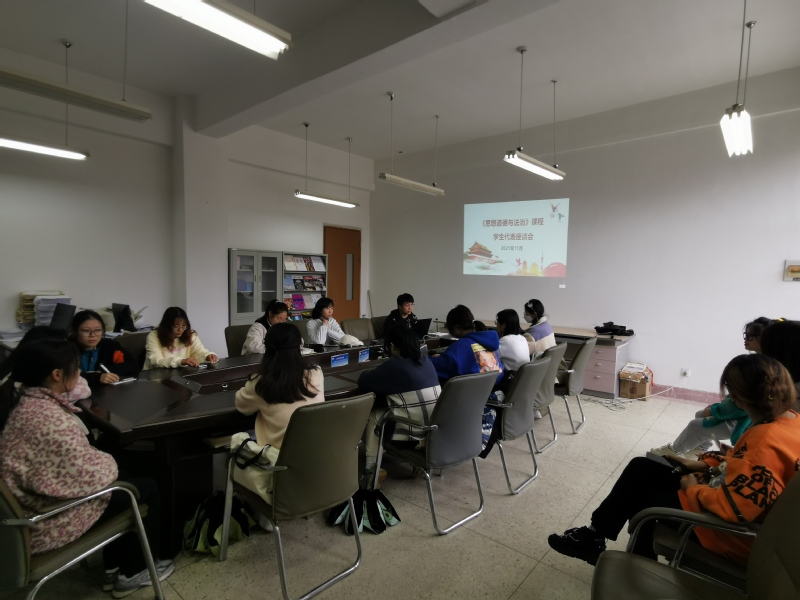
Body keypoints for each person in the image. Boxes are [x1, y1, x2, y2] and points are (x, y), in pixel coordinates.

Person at [548, 353, 800, 567]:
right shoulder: (789, 420)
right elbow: (742, 462)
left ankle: (636, 564)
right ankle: (596, 538)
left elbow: (733, 509)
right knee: (642, 467)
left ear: (738, 397)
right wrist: (704, 464)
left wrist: (692, 488)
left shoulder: (763, 440)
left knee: (645, 498)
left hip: (725, 531)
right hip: (725, 496)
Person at [0, 340, 174, 597]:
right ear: (57, 375)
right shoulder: (51, 421)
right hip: (46, 520)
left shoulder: (27, 405)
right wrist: (105, 458)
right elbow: (95, 475)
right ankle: (134, 573)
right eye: (76, 368)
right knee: (143, 488)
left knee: (125, 475)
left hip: (30, 506)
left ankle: (113, 566)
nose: (80, 372)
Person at [650, 317, 773, 458]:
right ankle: (699, 449)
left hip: (746, 421)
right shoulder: (763, 363)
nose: (746, 339)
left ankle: (673, 453)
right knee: (700, 415)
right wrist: (716, 409)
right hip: (745, 415)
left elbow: (740, 404)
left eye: (750, 336)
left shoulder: (759, 369)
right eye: (746, 334)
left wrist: (715, 410)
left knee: (696, 425)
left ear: (764, 339)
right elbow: (737, 401)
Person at [234, 323, 324, 498]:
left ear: (267, 349)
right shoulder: (316, 374)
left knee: (236, 443)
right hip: (316, 464)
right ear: (300, 346)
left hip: (278, 467)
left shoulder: (261, 382)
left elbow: (241, 406)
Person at [358, 327, 441, 481]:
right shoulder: (426, 361)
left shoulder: (395, 365)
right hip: (433, 432)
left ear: (392, 346)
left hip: (413, 435)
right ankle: (417, 464)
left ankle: (371, 469)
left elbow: (364, 381)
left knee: (374, 415)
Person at [430, 305, 504, 447]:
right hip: (492, 391)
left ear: (457, 326)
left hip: (467, 401)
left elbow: (436, 367)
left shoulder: (459, 347)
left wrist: (431, 358)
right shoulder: (488, 341)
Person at [69, 310, 139, 388]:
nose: (93, 335)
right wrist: (96, 377)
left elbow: (133, 365)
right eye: (86, 331)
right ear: (75, 331)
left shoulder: (110, 346)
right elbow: (64, 376)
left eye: (98, 330)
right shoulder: (65, 349)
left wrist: (103, 372)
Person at [143, 307, 217, 369]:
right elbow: (156, 361)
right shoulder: (154, 336)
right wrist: (181, 361)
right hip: (155, 376)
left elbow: (199, 351)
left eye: (184, 326)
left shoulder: (190, 335)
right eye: (176, 326)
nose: (180, 330)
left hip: (181, 374)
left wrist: (207, 356)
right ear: (167, 325)